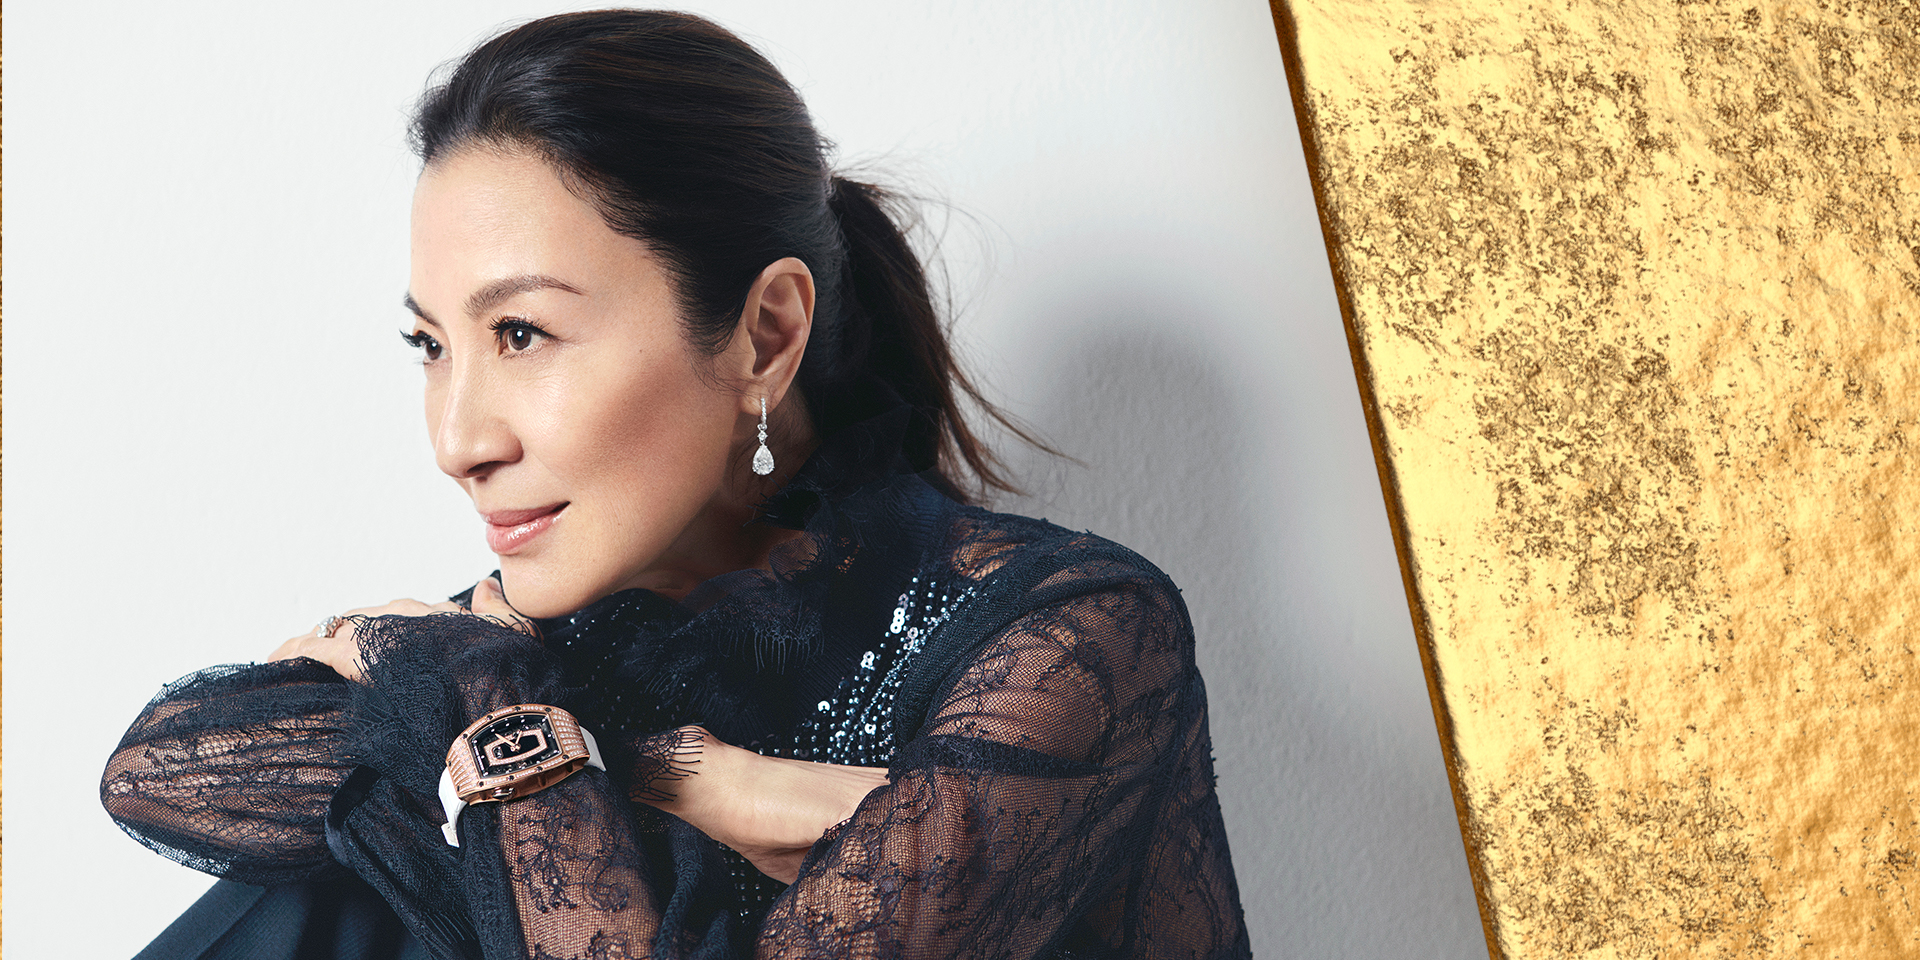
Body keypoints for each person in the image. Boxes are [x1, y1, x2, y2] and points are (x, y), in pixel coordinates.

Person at [100, 10, 1250, 959]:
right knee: (357, 876)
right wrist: (665, 769)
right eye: (430, 345)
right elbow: (164, 770)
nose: (456, 441)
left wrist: (504, 716)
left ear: (765, 334)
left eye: (522, 333)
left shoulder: (1077, 636)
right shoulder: (559, 636)